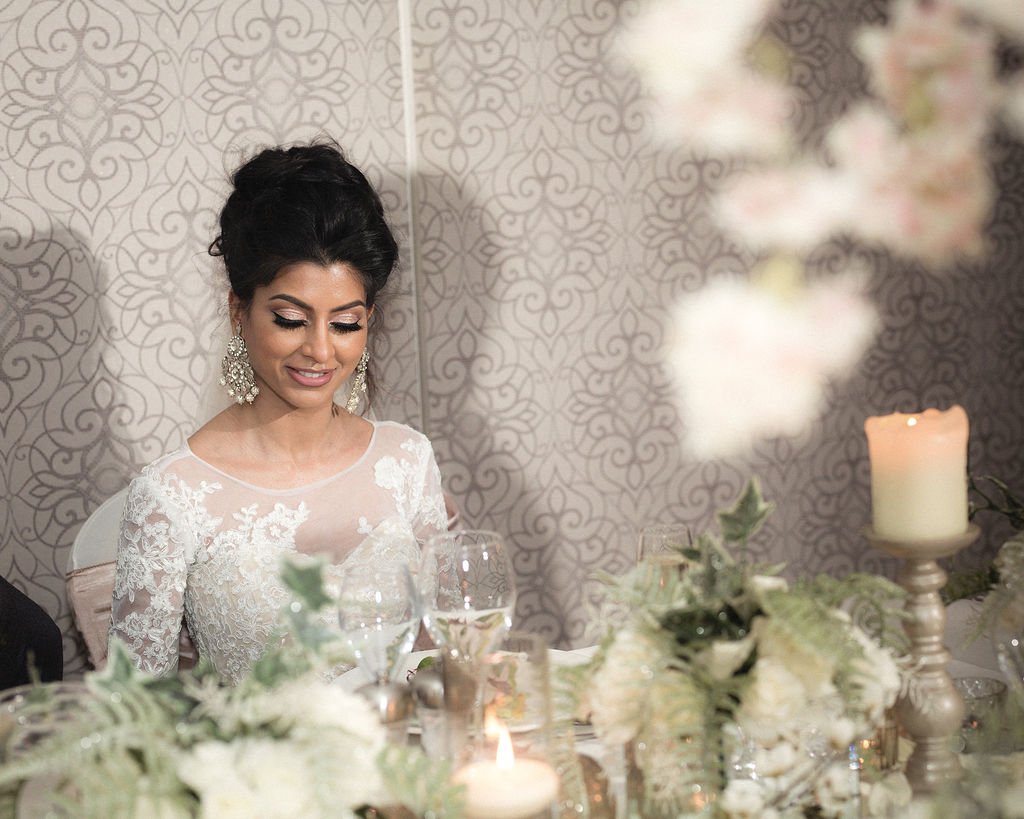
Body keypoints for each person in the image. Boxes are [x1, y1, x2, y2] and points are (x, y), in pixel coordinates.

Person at [109, 140, 448, 684]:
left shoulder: (407, 460)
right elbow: (137, 713)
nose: (319, 350)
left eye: (345, 324)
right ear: (238, 311)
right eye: (291, 319)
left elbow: (445, 656)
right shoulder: (171, 496)